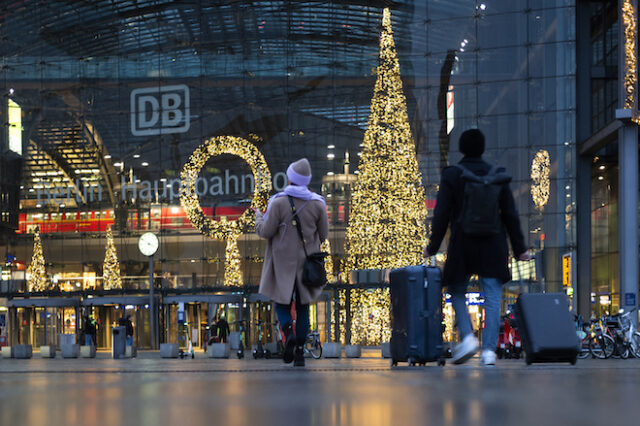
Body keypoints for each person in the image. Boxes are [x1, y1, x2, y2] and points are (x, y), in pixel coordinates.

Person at [424, 129, 530, 366]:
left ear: (461, 148)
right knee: (492, 297)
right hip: (493, 244)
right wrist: (520, 248)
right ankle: (489, 351)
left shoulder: (452, 175)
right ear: (482, 148)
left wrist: (432, 246)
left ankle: (469, 338)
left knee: (457, 291)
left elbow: (441, 214)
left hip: (463, 243)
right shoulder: (497, 175)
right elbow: (510, 215)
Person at [255, 158, 329, 366]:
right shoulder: (317, 203)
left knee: (282, 303)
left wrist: (259, 217)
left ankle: (288, 332)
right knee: (304, 306)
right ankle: (299, 351)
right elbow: (323, 234)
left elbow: (266, 231)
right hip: (308, 264)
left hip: (282, 263)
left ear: (290, 178)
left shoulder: (277, 202)